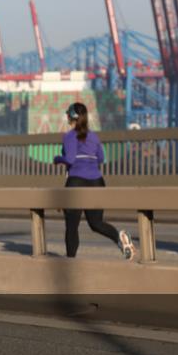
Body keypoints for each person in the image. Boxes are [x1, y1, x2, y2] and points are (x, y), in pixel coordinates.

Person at [53, 102, 135, 260]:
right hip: (97, 182)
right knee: (96, 223)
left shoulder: (69, 136)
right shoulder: (94, 136)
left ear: (71, 117)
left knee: (72, 226)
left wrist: (58, 159)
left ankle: (71, 262)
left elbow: (69, 159)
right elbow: (101, 158)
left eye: (68, 115)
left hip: (76, 182)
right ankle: (119, 237)